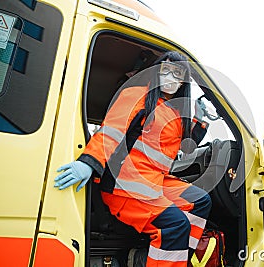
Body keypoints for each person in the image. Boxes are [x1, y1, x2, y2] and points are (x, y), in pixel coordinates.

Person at [54, 51, 212, 267]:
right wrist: (89, 162)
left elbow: (183, 146)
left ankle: (181, 256)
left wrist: (200, 122)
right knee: (174, 225)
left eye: (178, 74)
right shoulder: (137, 95)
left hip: (153, 180)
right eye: (166, 71)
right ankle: (169, 256)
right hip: (125, 184)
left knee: (200, 201)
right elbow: (112, 131)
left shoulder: (175, 114)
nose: (171, 78)